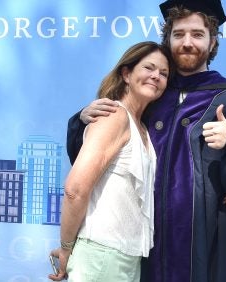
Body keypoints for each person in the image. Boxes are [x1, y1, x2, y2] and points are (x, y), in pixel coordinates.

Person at [66, 0, 226, 281]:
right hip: (139, 244)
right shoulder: (150, 92)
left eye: (197, 34)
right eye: (179, 34)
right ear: (168, 39)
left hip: (204, 243)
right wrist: (83, 120)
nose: (187, 42)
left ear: (212, 42)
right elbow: (99, 155)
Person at [48, 41, 172, 282]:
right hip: (100, 255)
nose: (156, 76)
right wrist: (65, 248)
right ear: (126, 74)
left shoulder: (143, 129)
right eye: (149, 68)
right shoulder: (113, 116)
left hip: (127, 258)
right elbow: (75, 190)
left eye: (164, 73)